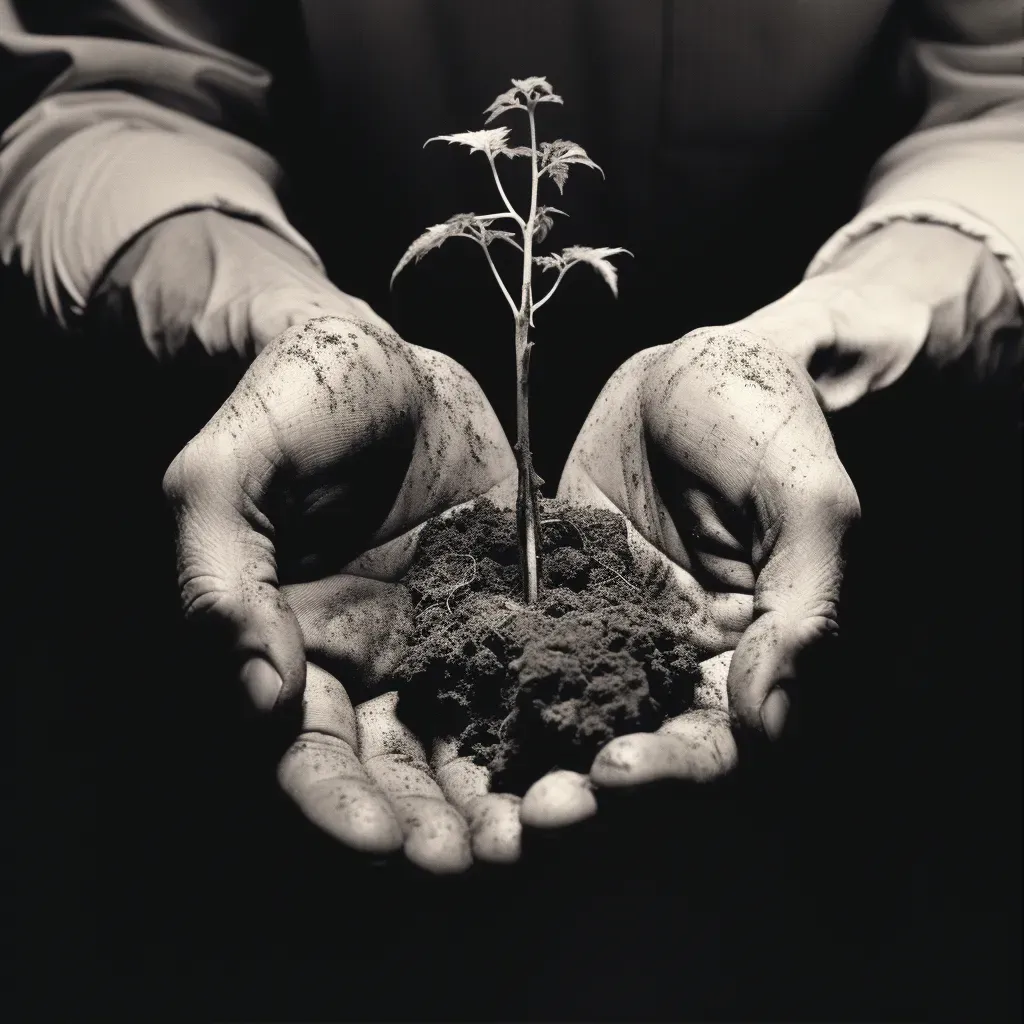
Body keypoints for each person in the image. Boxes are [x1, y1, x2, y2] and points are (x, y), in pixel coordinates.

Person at [2, 1, 1021, 879]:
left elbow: (1003, 101)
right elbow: (103, 95)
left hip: (837, 553)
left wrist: (813, 342)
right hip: (354, 513)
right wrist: (283, 327)